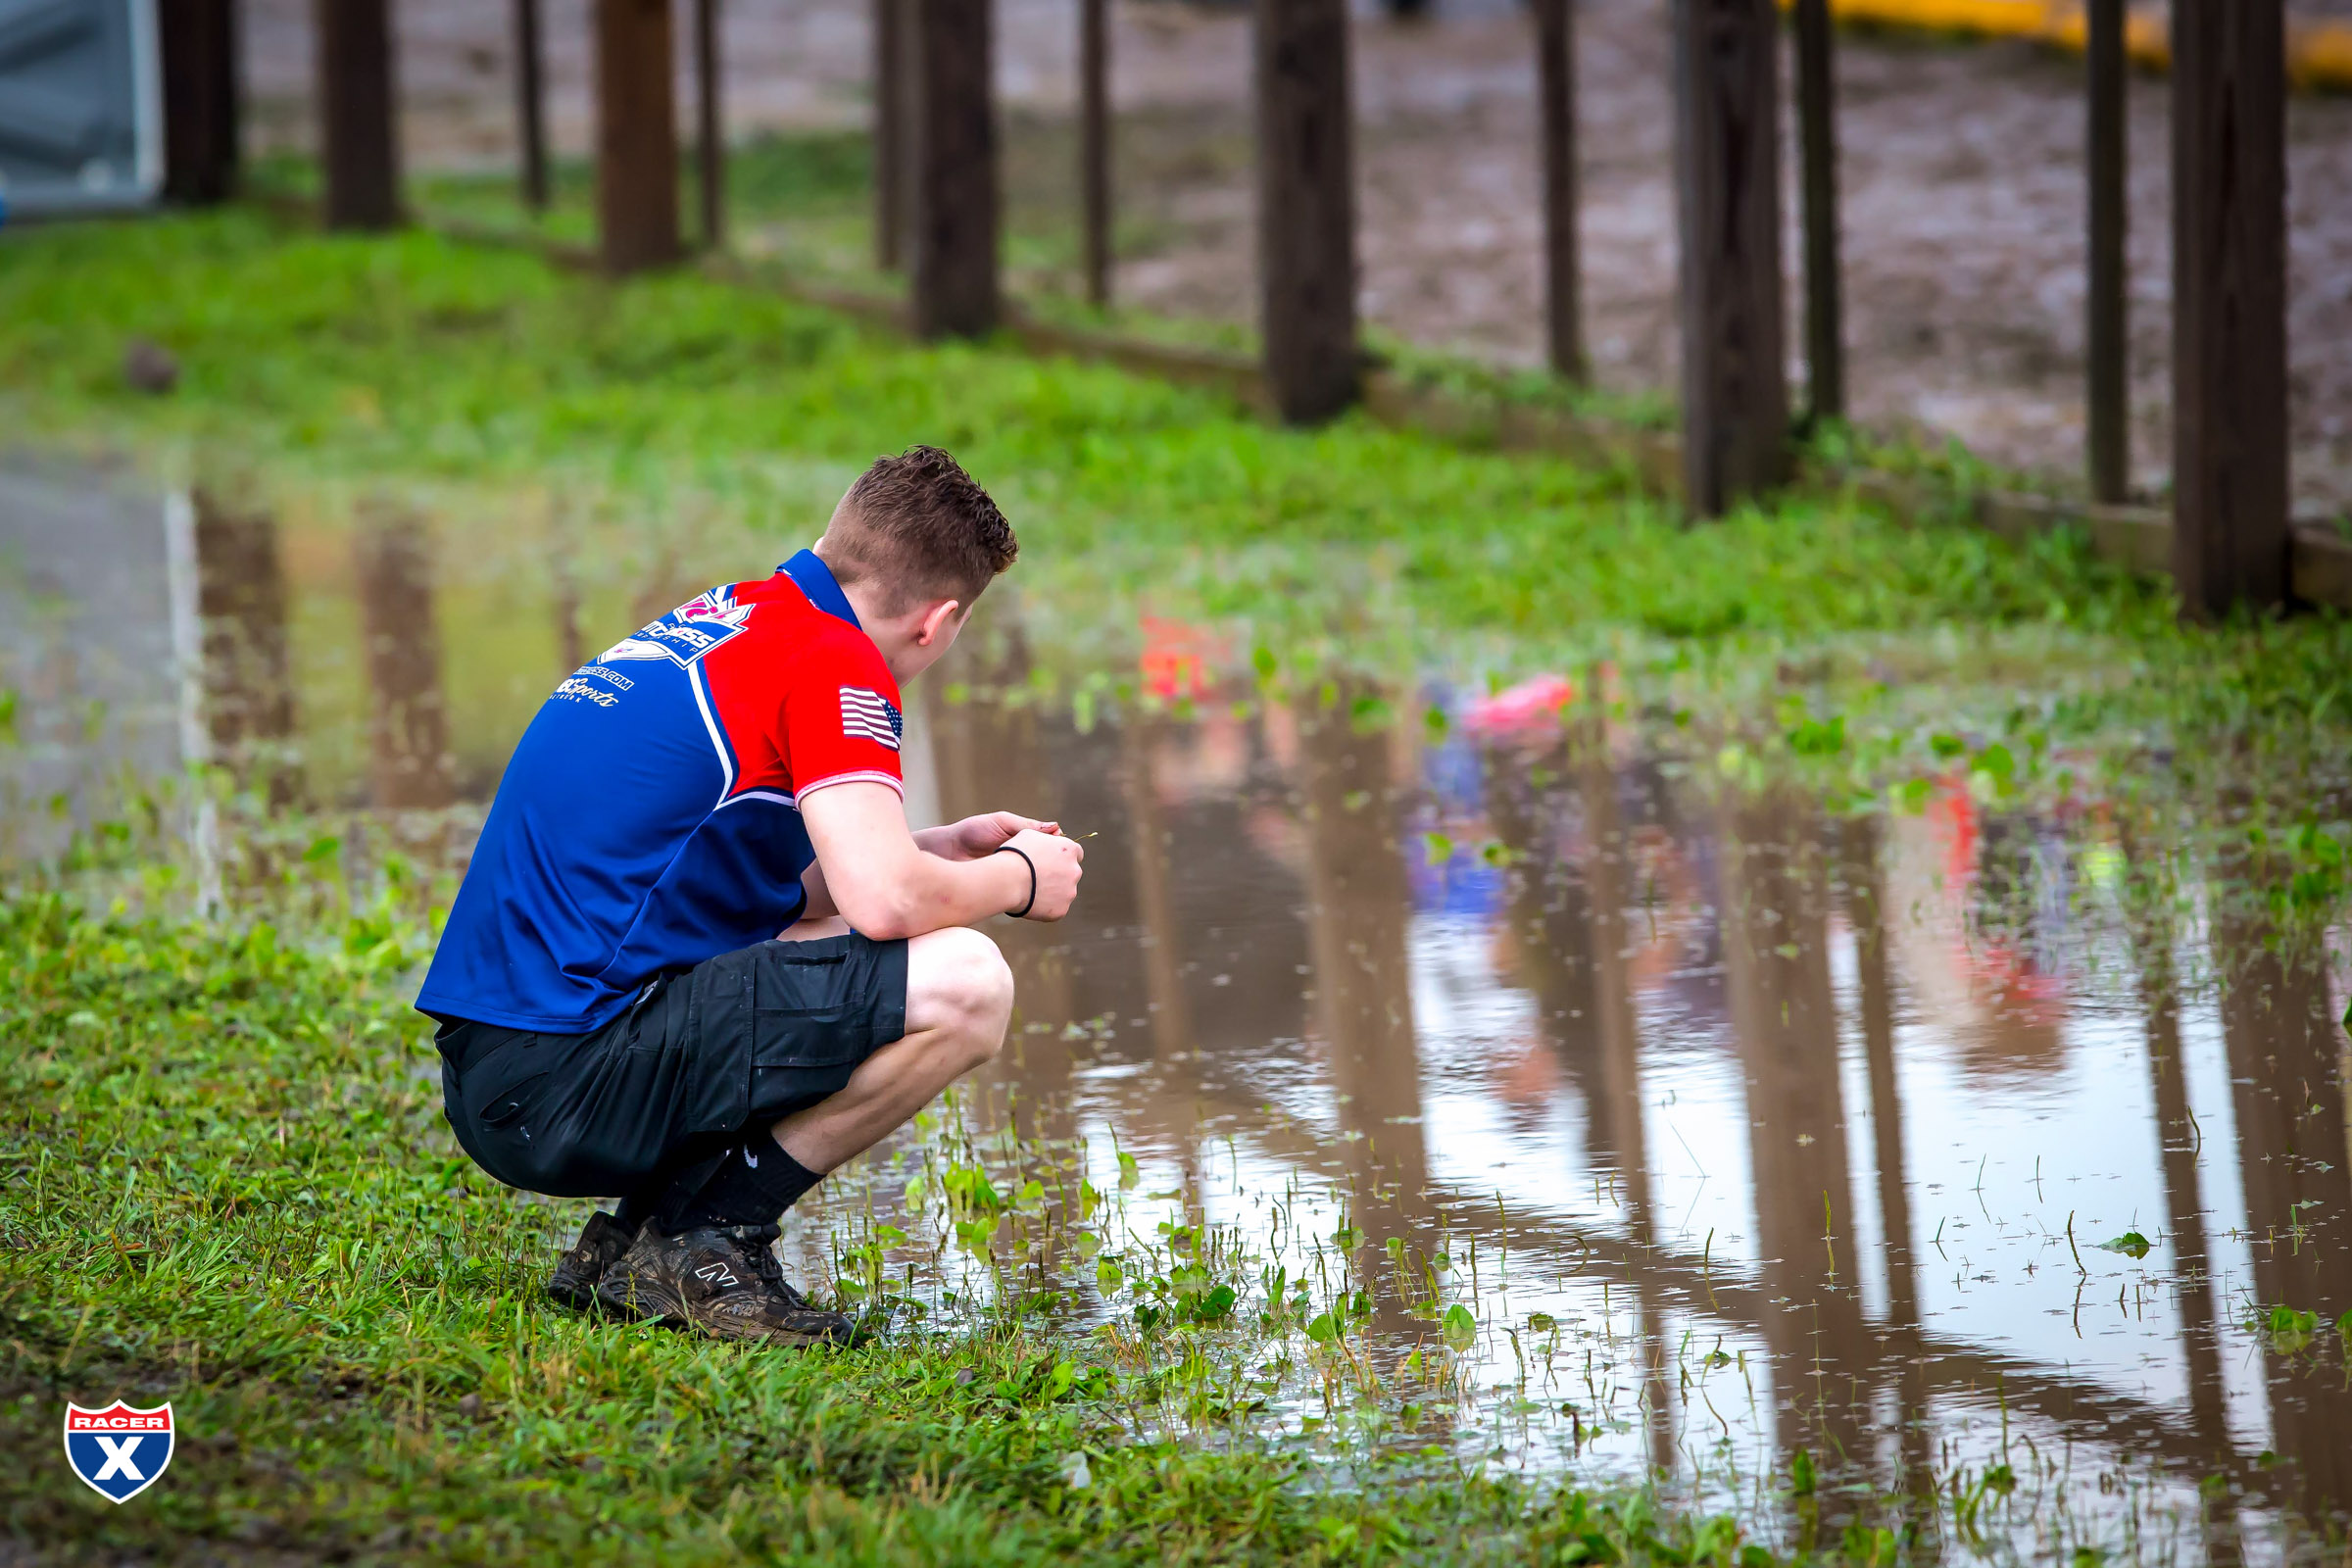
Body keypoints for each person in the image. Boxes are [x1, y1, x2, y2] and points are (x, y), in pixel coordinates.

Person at [415, 447, 1083, 1346]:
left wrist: (933, 849)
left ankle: (629, 1244)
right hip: (559, 1084)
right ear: (940, 621)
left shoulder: (732, 617)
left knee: (829, 927)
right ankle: (702, 1238)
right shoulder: (836, 662)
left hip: (505, 1071)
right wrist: (1019, 880)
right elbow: (884, 904)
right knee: (968, 984)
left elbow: (784, 884)